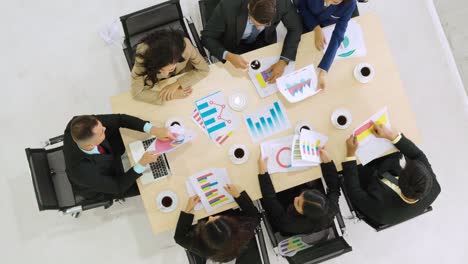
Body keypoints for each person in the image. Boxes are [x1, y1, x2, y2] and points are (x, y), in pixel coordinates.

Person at [341, 122, 441, 225]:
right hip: (388, 170)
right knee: (388, 149)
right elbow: (418, 155)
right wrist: (391, 136)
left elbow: (354, 191)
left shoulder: (380, 210)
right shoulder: (433, 187)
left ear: (399, 180)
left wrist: (350, 154)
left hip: (368, 181)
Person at [63, 114, 174, 200]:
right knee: (156, 184)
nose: (105, 128)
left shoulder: (78, 124)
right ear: (91, 145)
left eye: (101, 126)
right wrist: (142, 164)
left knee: (134, 137)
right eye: (101, 132)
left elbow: (119, 119)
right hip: (106, 181)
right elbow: (118, 186)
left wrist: (154, 130)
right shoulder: (82, 172)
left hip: (108, 153)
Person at [201, 0, 302, 83]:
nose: (259, 28)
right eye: (254, 22)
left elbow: (295, 28)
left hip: (264, 42)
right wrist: (227, 55)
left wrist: (284, 61)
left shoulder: (282, 3)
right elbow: (207, 37)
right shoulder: (228, 6)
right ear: (249, 7)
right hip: (232, 46)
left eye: (265, 24)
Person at [258, 148, 340, 235]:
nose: (296, 198)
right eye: (302, 194)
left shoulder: (288, 223)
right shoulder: (331, 208)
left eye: (298, 202)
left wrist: (263, 173)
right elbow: (334, 189)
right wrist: (327, 162)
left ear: (302, 213)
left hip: (282, 211)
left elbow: (270, 199)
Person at [174, 185, 261, 263]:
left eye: (208, 221)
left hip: (203, 210)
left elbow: (179, 238)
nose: (211, 217)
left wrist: (187, 210)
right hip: (226, 209)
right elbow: (255, 217)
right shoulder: (242, 230)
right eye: (215, 218)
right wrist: (238, 196)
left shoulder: (204, 248)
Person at [130, 30, 209, 105]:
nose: (165, 74)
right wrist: (170, 95)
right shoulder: (143, 53)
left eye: (171, 69)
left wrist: (177, 84)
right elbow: (136, 92)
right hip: (156, 84)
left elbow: (204, 69)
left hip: (181, 75)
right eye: (160, 69)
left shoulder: (186, 46)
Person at [297, 0, 357, 89]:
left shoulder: (350, 3)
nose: (328, 3)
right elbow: (301, 7)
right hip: (307, 21)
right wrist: (316, 28)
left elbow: (338, 35)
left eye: (335, 1)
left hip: (327, 25)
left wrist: (324, 69)